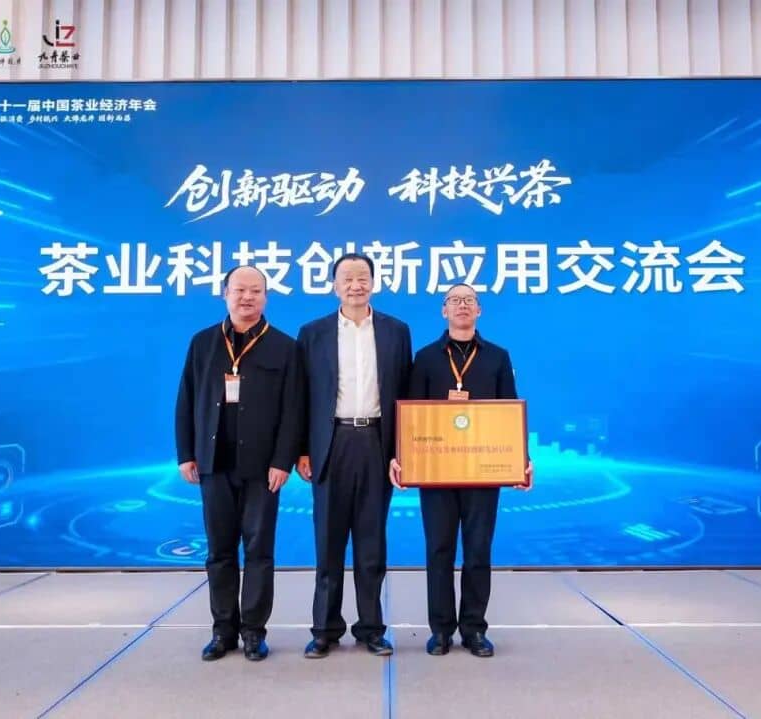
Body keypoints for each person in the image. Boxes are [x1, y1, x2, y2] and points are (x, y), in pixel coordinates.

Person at [389, 283, 533, 658]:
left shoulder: (497, 357)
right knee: (439, 550)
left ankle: (474, 629)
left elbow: (508, 412)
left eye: (469, 300)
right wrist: (403, 458)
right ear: (444, 311)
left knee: (478, 550)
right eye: (455, 301)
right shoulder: (426, 358)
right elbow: (412, 415)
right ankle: (440, 630)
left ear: (479, 310)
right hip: (436, 471)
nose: (462, 306)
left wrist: (522, 460)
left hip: (482, 471)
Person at [174, 265, 300, 662]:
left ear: (266, 297)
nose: (247, 297)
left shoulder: (284, 346)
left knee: (259, 551)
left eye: (255, 291)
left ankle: (253, 632)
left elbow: (293, 411)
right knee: (219, 551)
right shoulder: (203, 343)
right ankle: (223, 630)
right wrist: (186, 453)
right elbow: (186, 400)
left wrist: (282, 461)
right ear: (225, 294)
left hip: (263, 469)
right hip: (214, 464)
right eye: (239, 290)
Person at [295, 253, 412, 658]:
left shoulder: (397, 331)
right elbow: (301, 398)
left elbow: (405, 395)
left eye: (362, 278)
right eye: (347, 278)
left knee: (371, 542)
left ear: (374, 283)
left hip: (377, 442)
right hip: (332, 443)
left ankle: (371, 628)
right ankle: (324, 629)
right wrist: (302, 449)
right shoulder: (313, 333)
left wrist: (402, 451)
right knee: (328, 543)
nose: (355, 285)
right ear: (334, 285)